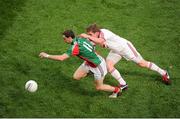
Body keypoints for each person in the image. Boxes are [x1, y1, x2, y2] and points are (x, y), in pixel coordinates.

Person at [79, 24, 171, 87]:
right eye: (88, 34)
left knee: (142, 64)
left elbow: (101, 41)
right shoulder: (95, 37)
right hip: (116, 51)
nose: (89, 35)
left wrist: (87, 37)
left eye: (90, 34)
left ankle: (164, 73)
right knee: (109, 65)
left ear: (96, 32)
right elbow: (91, 44)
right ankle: (123, 84)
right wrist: (79, 42)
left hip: (125, 48)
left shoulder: (104, 32)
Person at [39, 30, 121, 98]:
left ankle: (117, 90)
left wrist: (46, 55)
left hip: (98, 66)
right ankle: (89, 71)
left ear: (70, 37)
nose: (64, 40)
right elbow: (93, 46)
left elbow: (62, 58)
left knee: (99, 87)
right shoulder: (80, 39)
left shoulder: (75, 47)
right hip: (89, 62)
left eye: (64, 39)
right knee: (76, 77)